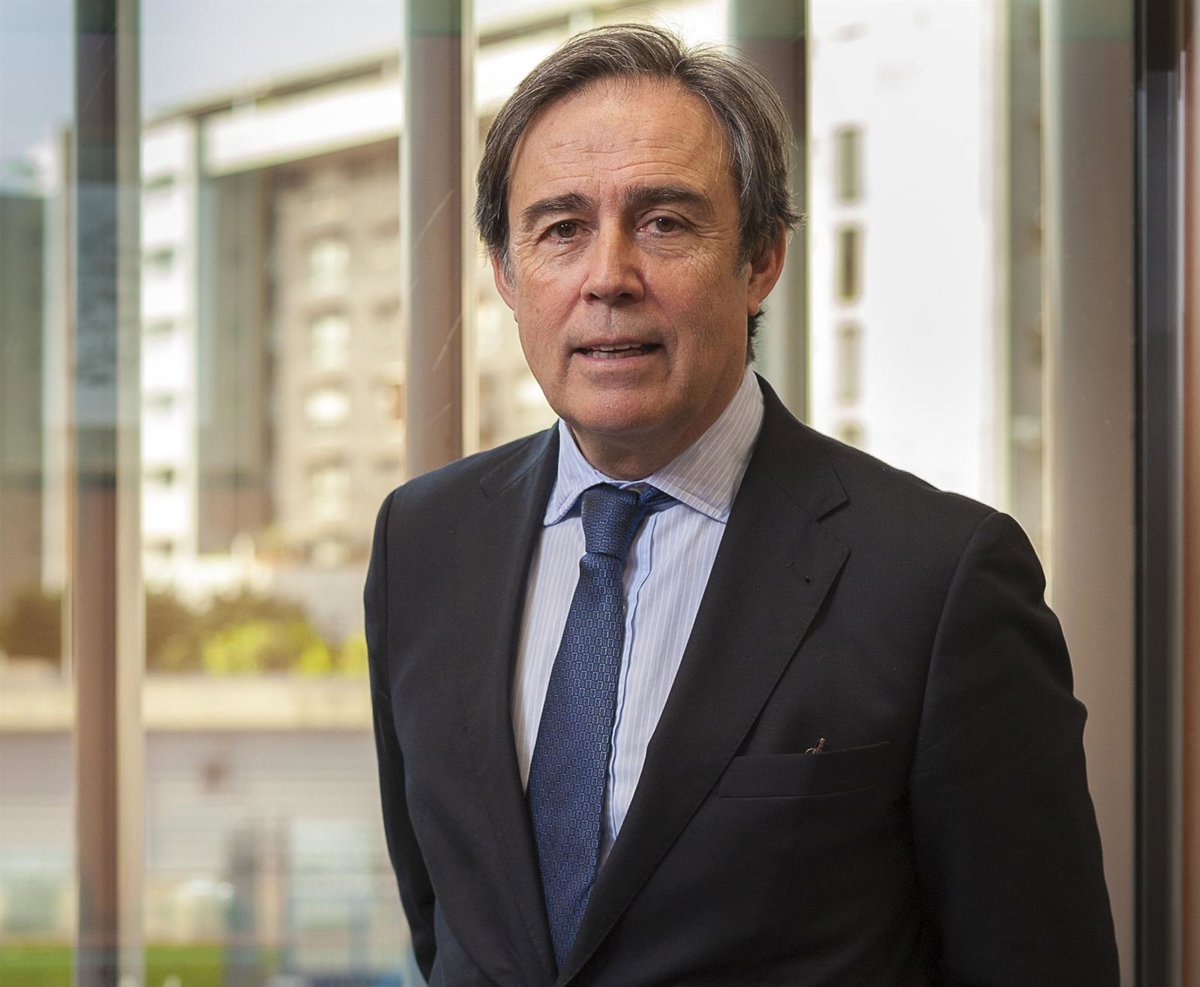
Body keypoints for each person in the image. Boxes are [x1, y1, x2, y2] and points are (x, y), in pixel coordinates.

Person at [365, 23, 1119, 986]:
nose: (608, 277)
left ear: (761, 258)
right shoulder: (421, 543)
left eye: (664, 223)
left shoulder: (939, 581)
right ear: (508, 274)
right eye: (561, 229)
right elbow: (450, 925)